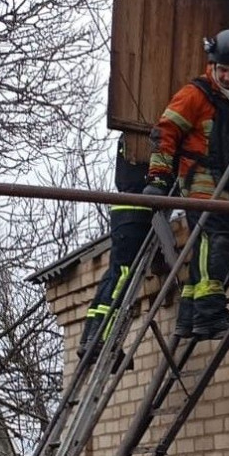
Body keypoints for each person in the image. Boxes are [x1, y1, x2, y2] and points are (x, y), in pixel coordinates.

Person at [142, 28, 229, 340]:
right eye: (222, 70)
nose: (227, 78)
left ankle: (189, 317)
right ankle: (210, 313)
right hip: (199, 176)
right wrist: (158, 178)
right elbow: (165, 131)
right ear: (212, 65)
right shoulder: (194, 94)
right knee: (216, 239)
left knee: (205, 244)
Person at [76, 134, 153, 360]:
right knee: (123, 276)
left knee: (113, 275)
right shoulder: (145, 134)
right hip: (136, 211)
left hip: (123, 211)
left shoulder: (127, 134)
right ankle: (102, 339)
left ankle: (90, 336)